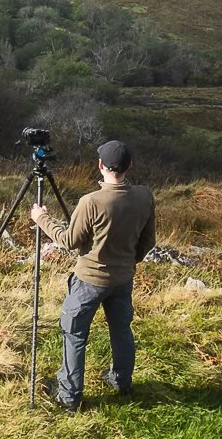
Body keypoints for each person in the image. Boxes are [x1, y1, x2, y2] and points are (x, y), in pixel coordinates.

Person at [29, 139, 155, 412]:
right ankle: (121, 382)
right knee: (121, 330)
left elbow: (68, 241)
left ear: (100, 166)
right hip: (122, 280)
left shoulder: (91, 202)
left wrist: (41, 218)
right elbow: (148, 242)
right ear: (129, 166)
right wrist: (129, 263)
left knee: (74, 334)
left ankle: (69, 396)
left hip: (89, 281)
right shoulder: (145, 196)